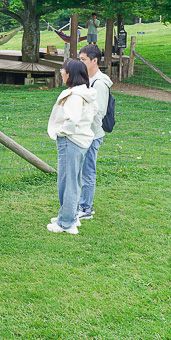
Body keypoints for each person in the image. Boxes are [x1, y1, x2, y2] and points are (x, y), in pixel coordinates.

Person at [46, 60, 96, 234]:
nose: (61, 73)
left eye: (64, 70)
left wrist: (61, 132)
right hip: (80, 141)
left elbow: (72, 120)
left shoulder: (75, 96)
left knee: (67, 182)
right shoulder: (85, 93)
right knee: (72, 180)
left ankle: (66, 222)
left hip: (71, 141)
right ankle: (70, 214)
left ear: (71, 74)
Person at [78, 43, 112, 221]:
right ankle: (81, 203)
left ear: (94, 61)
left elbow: (99, 112)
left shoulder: (100, 83)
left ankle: (86, 208)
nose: (80, 62)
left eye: (83, 59)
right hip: (83, 134)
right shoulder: (87, 79)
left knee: (88, 171)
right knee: (82, 170)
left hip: (92, 135)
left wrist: (85, 131)